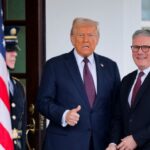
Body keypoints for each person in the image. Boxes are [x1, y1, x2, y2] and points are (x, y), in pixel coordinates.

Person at [37, 17, 120, 150]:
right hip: (64, 144)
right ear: (72, 38)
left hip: (101, 144)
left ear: (98, 38)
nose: (86, 40)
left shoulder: (110, 67)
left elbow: (117, 110)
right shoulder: (54, 65)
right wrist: (64, 114)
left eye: (91, 35)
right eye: (81, 35)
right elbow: (42, 102)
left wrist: (113, 141)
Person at [106, 29, 150, 150]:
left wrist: (136, 138)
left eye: (145, 47)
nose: (140, 52)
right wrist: (113, 143)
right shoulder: (127, 80)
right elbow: (118, 117)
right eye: (135, 47)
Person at [4, 26, 26, 150]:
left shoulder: (18, 86)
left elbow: (21, 127)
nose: (15, 54)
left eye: (15, 50)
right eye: (9, 50)